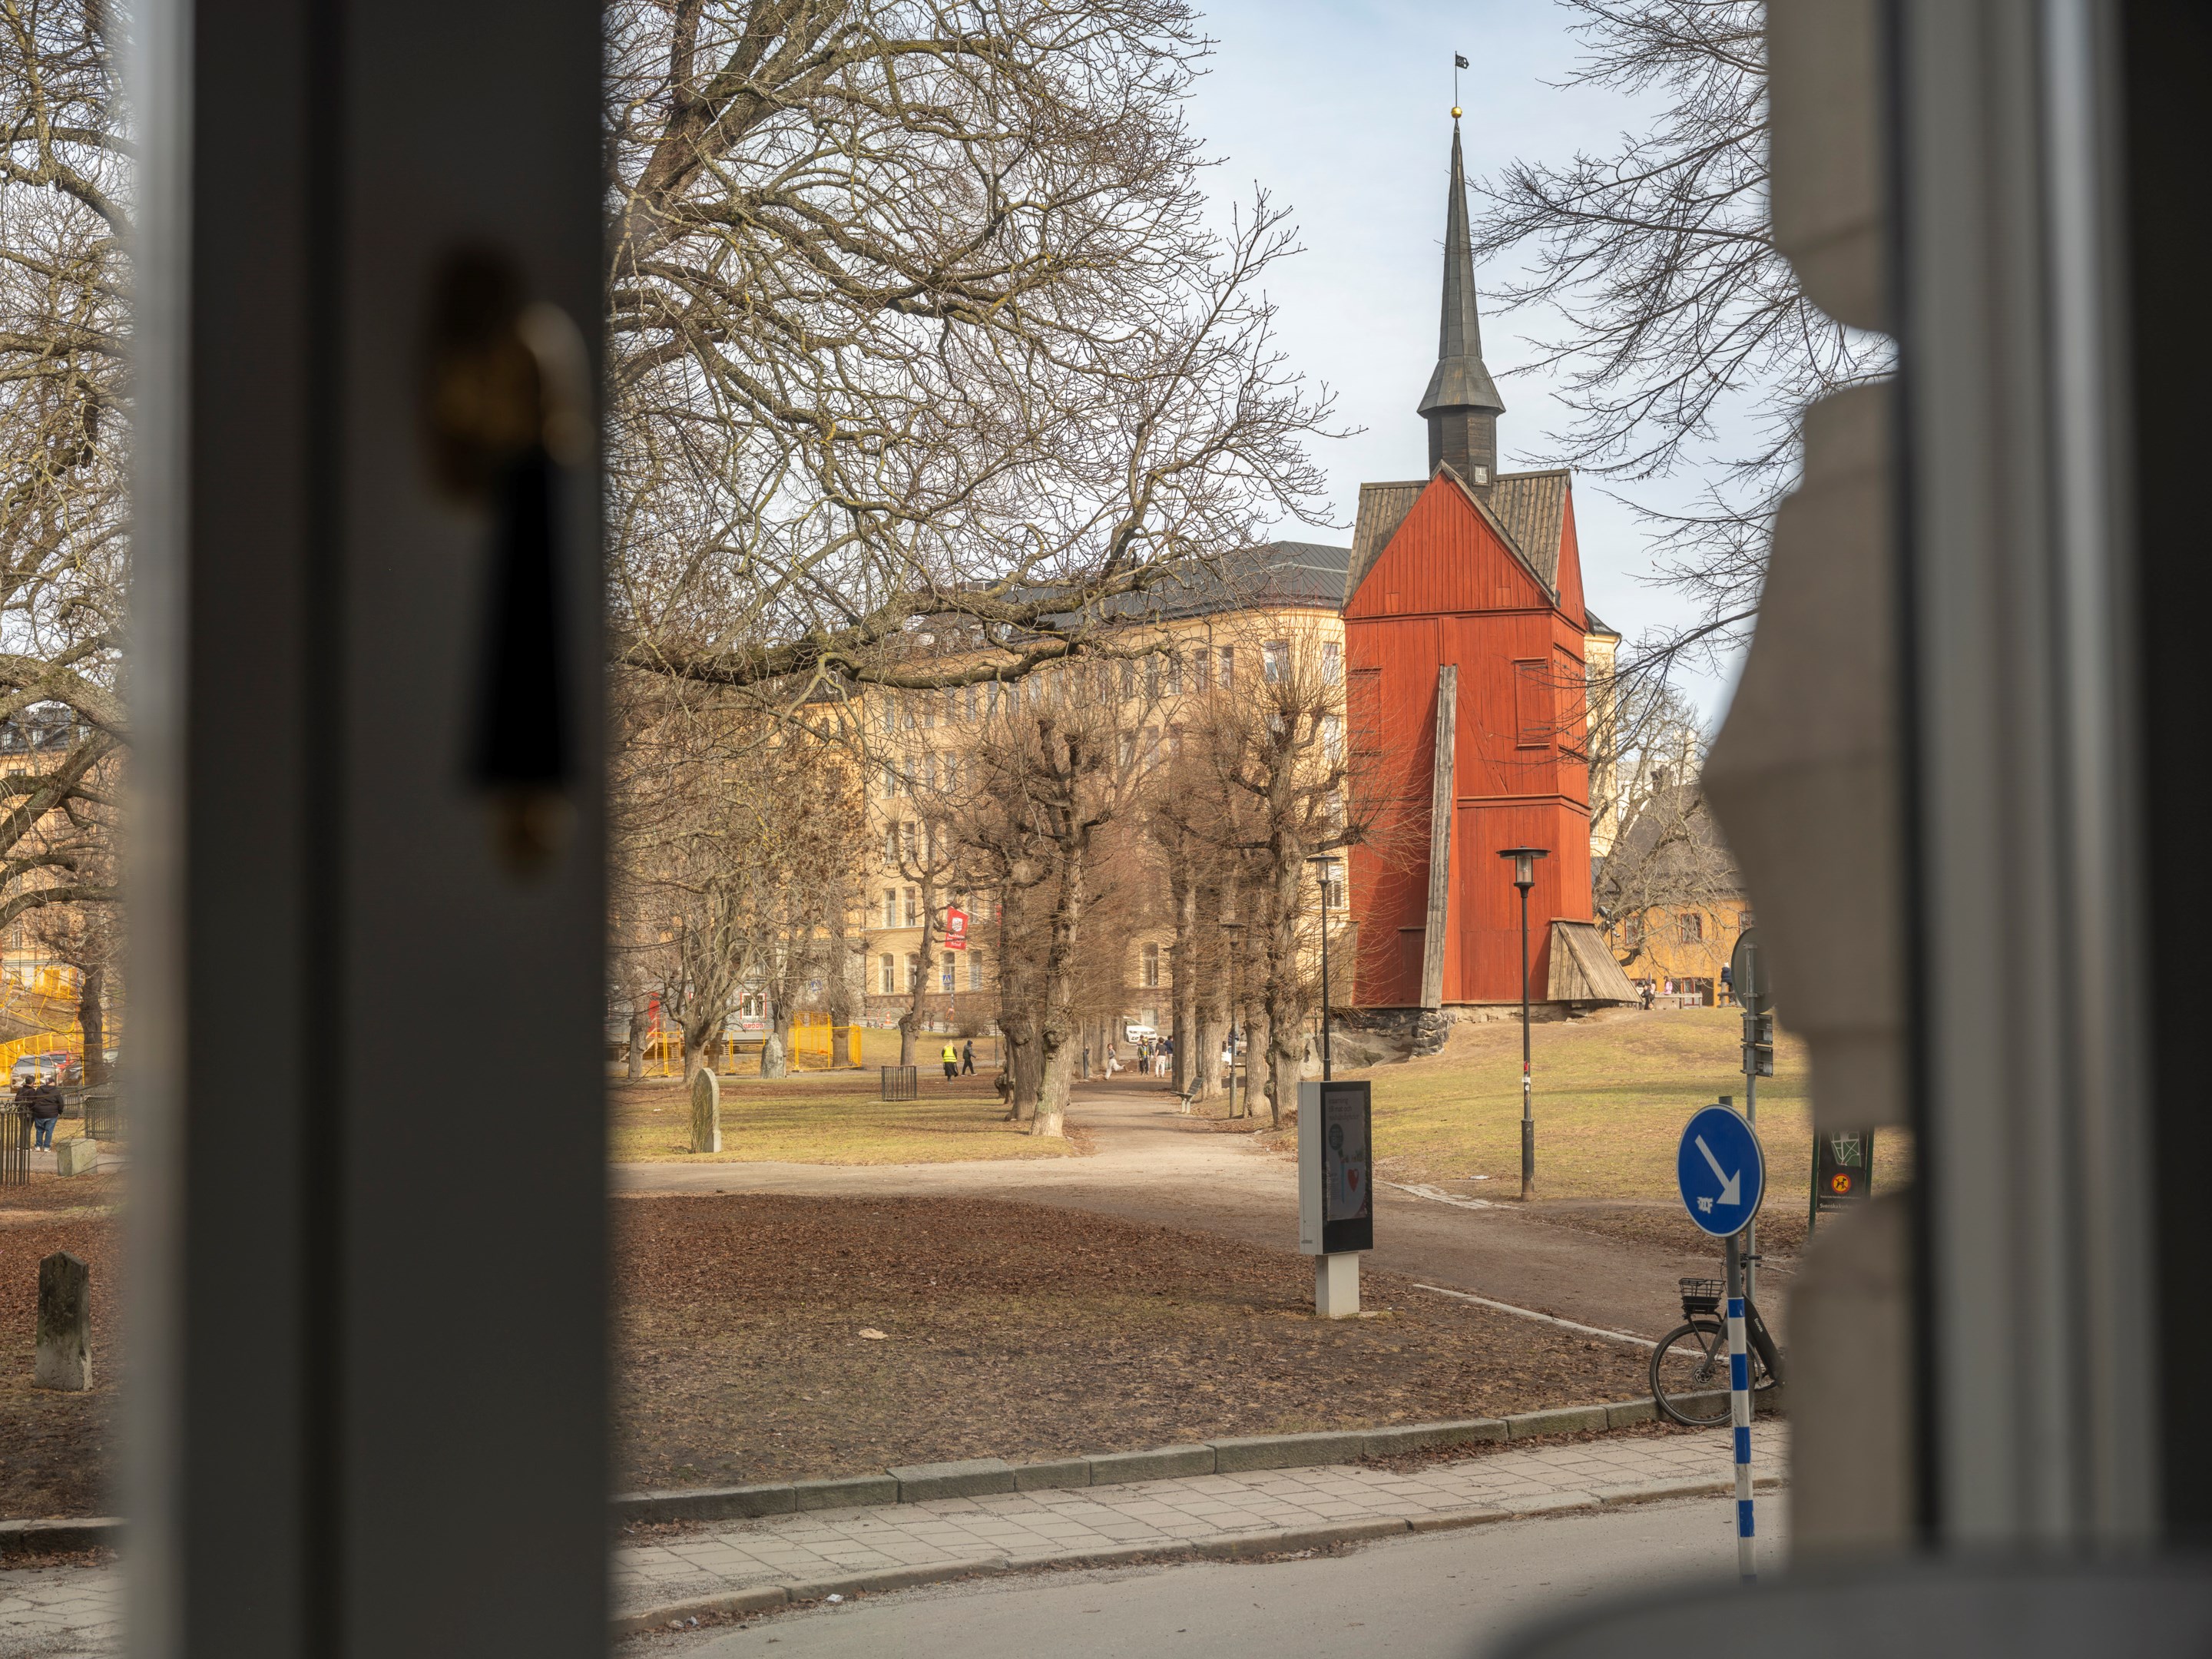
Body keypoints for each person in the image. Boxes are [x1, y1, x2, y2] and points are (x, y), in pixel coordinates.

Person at [28, 1073, 61, 1151]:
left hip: (39, 1113)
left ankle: (38, 1146)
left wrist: (34, 1109)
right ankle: (46, 1147)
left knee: (39, 1130)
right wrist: (60, 1111)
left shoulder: (39, 1089)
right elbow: (61, 1102)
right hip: (52, 1114)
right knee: (49, 1131)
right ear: (52, 1083)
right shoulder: (56, 1091)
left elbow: (34, 1100)